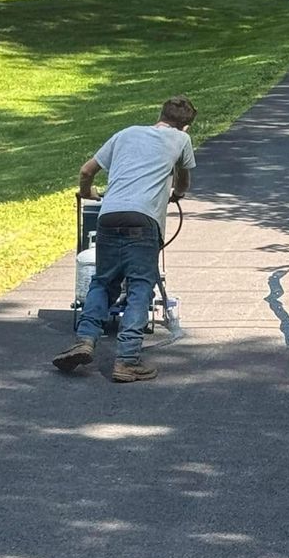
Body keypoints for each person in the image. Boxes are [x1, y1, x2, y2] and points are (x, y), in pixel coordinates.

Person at [53, 96, 197, 381]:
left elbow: (86, 170)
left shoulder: (126, 133)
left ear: (160, 114)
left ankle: (85, 339)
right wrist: (178, 194)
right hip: (143, 220)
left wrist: (88, 192)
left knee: (103, 282)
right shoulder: (181, 140)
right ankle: (127, 360)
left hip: (109, 217)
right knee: (140, 288)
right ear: (185, 126)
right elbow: (182, 180)